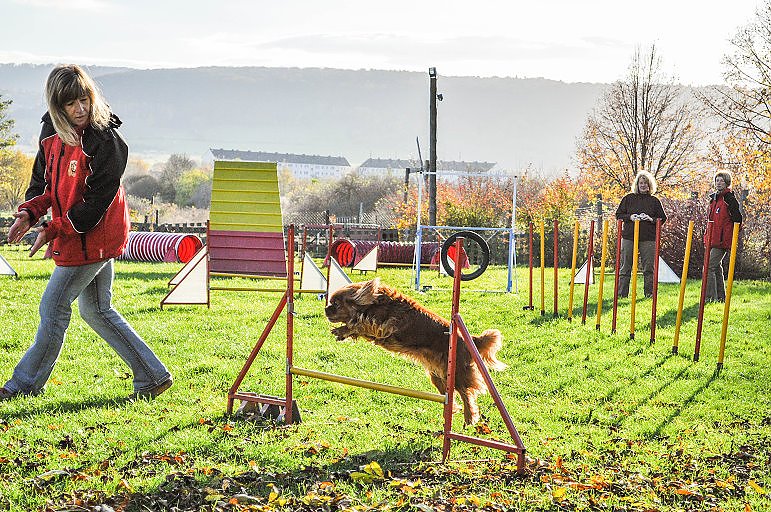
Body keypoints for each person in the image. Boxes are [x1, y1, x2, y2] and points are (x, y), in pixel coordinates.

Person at [0, 65, 172, 401]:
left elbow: (94, 205)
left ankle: (23, 385)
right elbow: (43, 181)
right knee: (96, 310)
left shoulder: (106, 142)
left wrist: (53, 230)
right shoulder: (50, 131)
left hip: (95, 233)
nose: (80, 109)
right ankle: (151, 376)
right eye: (70, 104)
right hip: (76, 233)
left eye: (84, 100)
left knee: (54, 306)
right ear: (57, 107)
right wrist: (28, 212)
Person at [615, 171, 667, 298]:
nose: (643, 185)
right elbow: (618, 215)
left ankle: (649, 294)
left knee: (649, 268)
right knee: (625, 266)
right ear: (637, 185)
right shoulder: (628, 198)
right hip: (629, 237)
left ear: (650, 185)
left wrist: (651, 219)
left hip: (648, 238)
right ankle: (622, 294)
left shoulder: (654, 201)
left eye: (646, 183)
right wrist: (630, 217)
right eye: (641, 183)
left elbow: (662, 218)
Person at [704, 171, 743, 302]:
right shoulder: (714, 199)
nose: (718, 183)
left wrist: (730, 237)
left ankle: (710, 297)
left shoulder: (729, 199)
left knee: (709, 266)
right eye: (717, 180)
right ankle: (721, 297)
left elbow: (738, 219)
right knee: (715, 266)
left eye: (721, 180)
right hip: (713, 239)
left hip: (722, 240)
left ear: (727, 182)